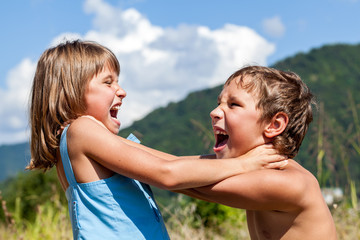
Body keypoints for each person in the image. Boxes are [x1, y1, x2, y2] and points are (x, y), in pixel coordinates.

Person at [27, 41, 287, 240]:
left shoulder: (82, 138)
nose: (121, 91)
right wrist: (245, 164)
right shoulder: (82, 130)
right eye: (108, 83)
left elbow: (171, 162)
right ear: (72, 89)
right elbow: (167, 173)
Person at [177, 66, 337, 239]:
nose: (214, 112)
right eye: (219, 104)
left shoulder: (287, 183)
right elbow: (174, 165)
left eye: (234, 104)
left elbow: (170, 174)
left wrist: (242, 164)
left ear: (274, 125)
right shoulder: (253, 167)